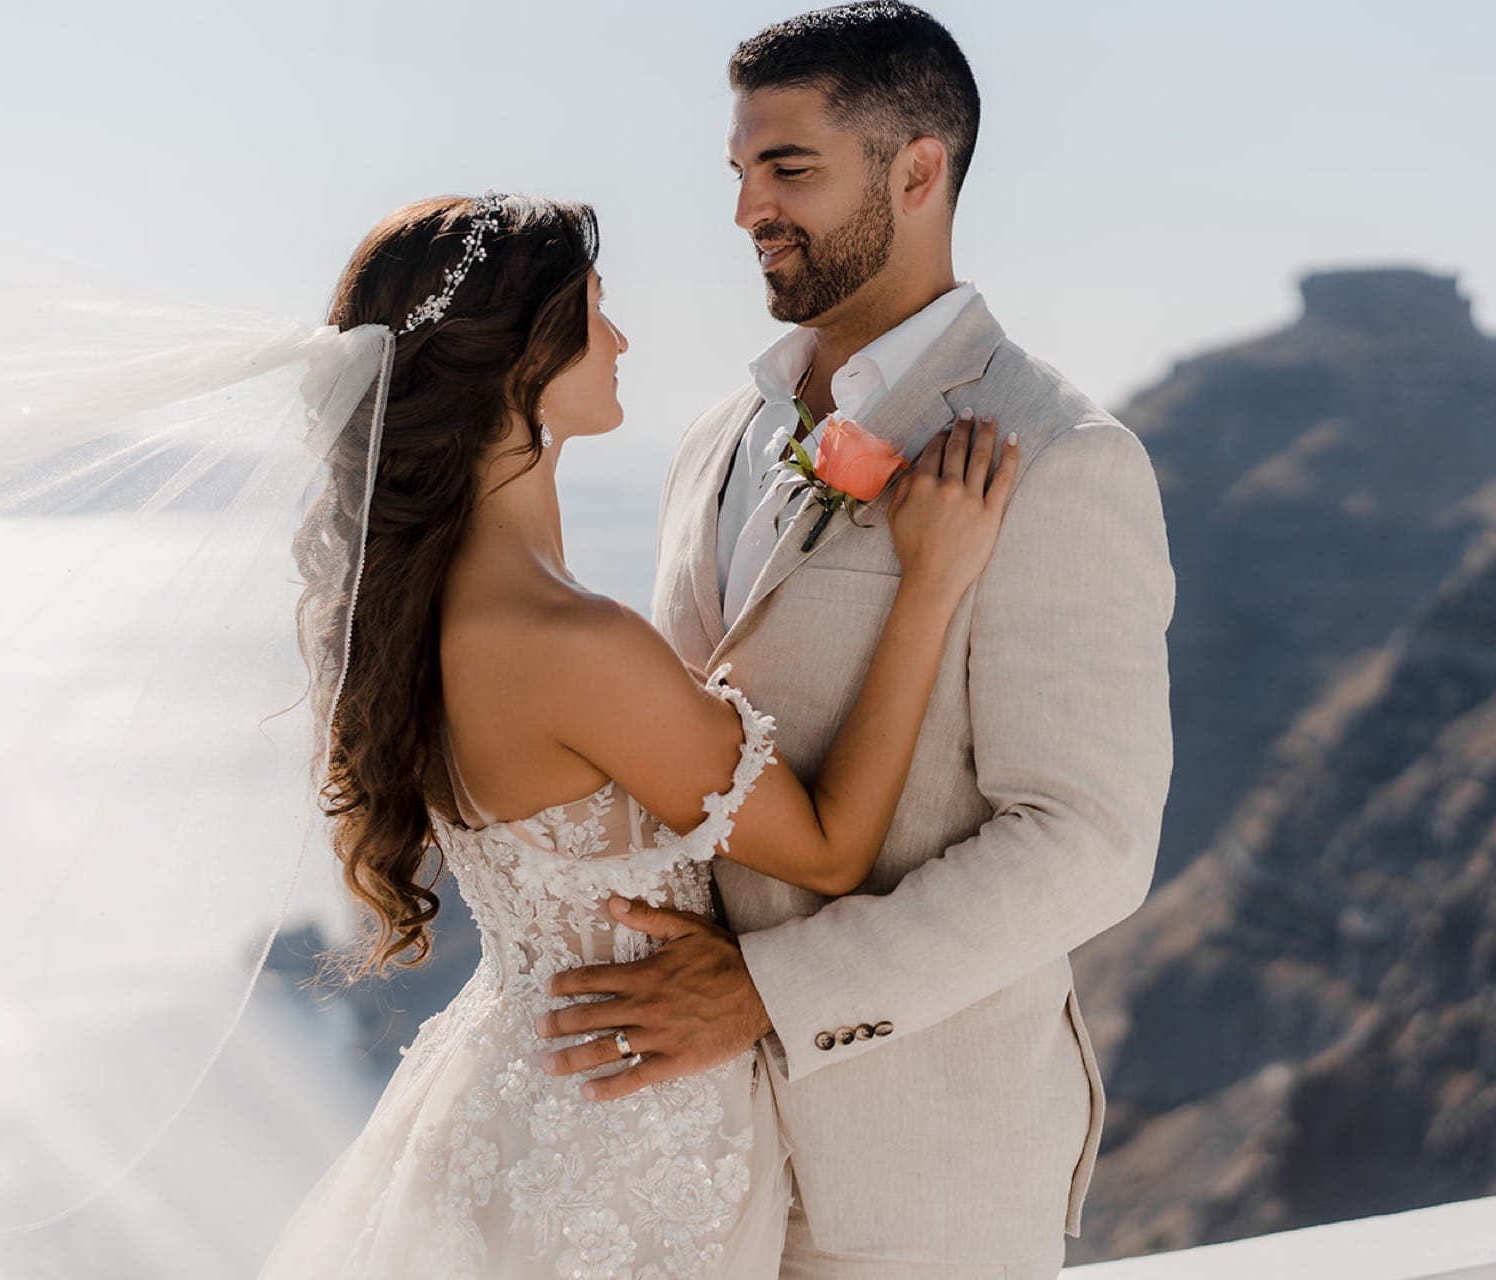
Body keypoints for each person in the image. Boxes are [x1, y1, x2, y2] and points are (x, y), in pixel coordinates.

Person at [254, 192, 1018, 1277]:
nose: (620, 340)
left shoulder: (422, 610)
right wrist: (932, 586)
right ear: (517, 360)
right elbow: (833, 846)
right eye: (594, 313)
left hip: (518, 1087)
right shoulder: (564, 636)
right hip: (623, 1137)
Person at [536, 5, 1177, 1277]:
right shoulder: (719, 431)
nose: (746, 212)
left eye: (788, 171)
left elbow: (1088, 842)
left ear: (919, 170)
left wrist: (771, 993)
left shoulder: (1059, 457)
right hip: (680, 1155)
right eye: (738, 172)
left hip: (919, 1177)